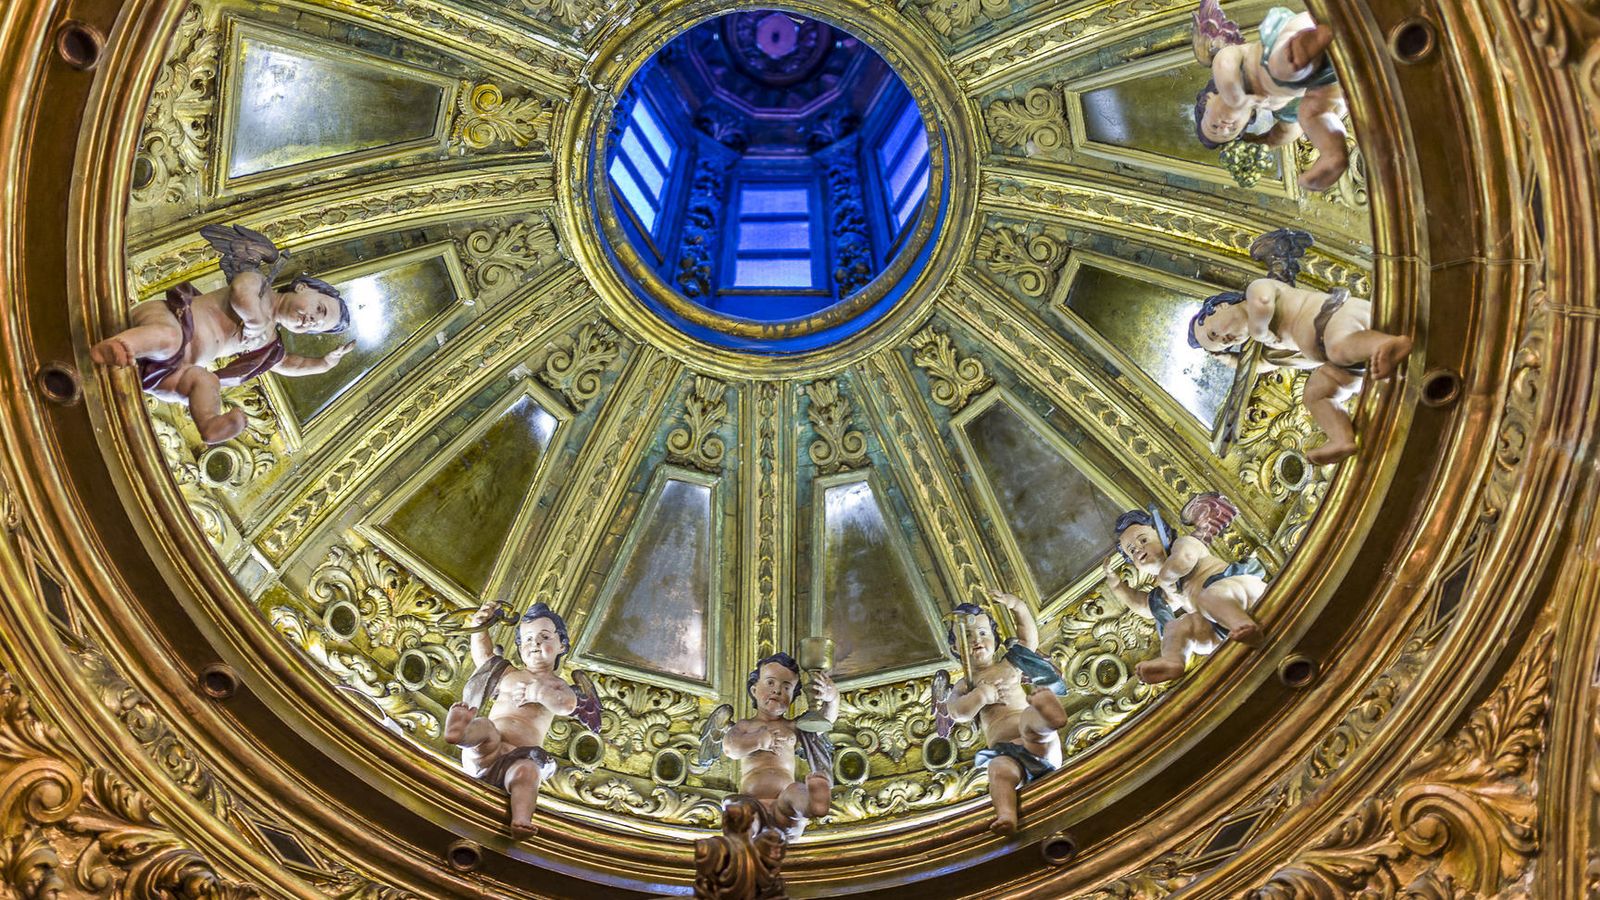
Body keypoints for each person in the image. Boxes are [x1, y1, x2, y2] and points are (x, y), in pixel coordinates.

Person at [1188, 280, 1412, 463]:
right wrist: (1228, 358)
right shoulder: (1272, 344)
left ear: (1220, 306)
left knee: (1339, 347)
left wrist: (1259, 331)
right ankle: (1342, 438)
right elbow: (1263, 366)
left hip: (1337, 316)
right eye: (1223, 345)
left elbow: (1263, 302)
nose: (1223, 340)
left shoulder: (1256, 289)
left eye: (1213, 334)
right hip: (1341, 361)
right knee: (1314, 395)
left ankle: (1386, 345)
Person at [445, 601, 577, 838]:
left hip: (519, 756)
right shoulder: (510, 675)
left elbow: (567, 706)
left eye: (544, 636)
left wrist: (539, 693)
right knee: (484, 727)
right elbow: (484, 657)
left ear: (562, 645)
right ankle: (459, 733)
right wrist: (480, 626)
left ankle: (521, 819)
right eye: (526, 639)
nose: (534, 643)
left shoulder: (557, 685)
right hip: (489, 748)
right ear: (518, 647)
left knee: (528, 773)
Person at [945, 591, 1068, 835]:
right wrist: (981, 696)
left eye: (982, 633)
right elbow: (958, 713)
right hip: (1006, 753)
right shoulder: (965, 685)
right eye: (966, 636)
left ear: (995, 638)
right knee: (998, 771)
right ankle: (1006, 815)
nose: (976, 639)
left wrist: (1018, 606)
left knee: (1030, 722)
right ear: (955, 648)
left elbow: (1028, 639)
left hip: (1035, 743)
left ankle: (1050, 716)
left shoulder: (1008, 664)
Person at [1192, 2, 1349, 191]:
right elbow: (1287, 132)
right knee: (1311, 115)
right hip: (1320, 78)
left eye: (1214, 126)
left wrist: (1236, 96)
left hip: (1291, 37)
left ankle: (1311, 42)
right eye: (1231, 132)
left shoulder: (1227, 72)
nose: (1224, 128)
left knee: (1280, 68)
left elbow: (1224, 61)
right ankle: (1334, 155)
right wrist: (1262, 142)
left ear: (1207, 100)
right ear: (1248, 119)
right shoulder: (1275, 106)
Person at [1103, 509, 1265, 684]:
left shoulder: (1183, 543)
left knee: (1208, 597)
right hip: (1218, 627)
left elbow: (1184, 560)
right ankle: (1173, 662)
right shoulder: (1169, 590)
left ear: (1163, 534)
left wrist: (1165, 579)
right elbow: (1146, 607)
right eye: (1132, 550)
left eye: (1143, 540)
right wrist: (1117, 586)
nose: (1139, 549)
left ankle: (1243, 625)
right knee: (1176, 627)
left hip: (1241, 593)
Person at [722, 653, 837, 841]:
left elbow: (825, 720)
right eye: (770, 683)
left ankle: (814, 803)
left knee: (797, 791)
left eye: (786, 687)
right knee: (739, 807)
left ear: (792, 697)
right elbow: (730, 749)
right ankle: (744, 837)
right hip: (752, 802)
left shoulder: (793, 727)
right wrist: (758, 740)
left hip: (783, 803)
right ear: (753, 690)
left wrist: (831, 697)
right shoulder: (745, 726)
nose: (777, 690)